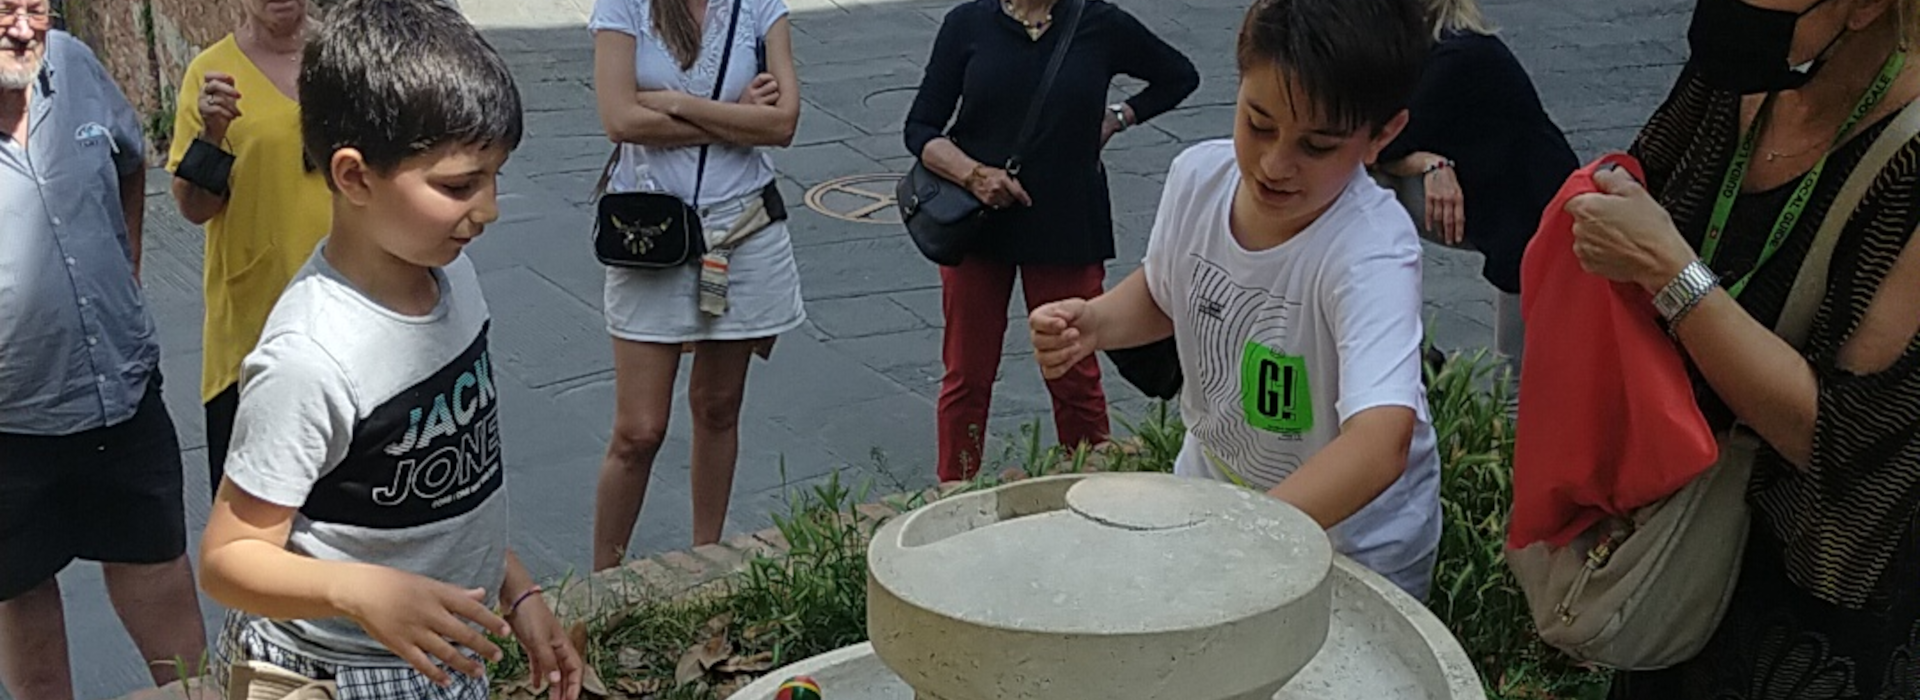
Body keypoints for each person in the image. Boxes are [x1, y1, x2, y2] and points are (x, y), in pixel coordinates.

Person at [196, 1, 583, 698]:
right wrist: (361, 592)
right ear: (354, 177)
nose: (489, 208)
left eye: (495, 176)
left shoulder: (452, 276)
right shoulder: (309, 358)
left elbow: (449, 482)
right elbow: (228, 558)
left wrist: (515, 588)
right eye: (460, 185)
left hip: (441, 646)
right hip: (337, 671)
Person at [1029, 0, 1442, 598]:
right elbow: (1169, 288)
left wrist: (1248, 533)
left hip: (1352, 546)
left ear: (1382, 135)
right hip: (1213, 493)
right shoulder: (1198, 177)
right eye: (1259, 123)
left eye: (1317, 146)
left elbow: (1379, 444)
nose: (1276, 164)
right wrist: (1096, 322)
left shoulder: (1370, 252)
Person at [1567, 0, 1920, 696]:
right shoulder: (1733, 78)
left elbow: (1842, 440)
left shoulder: (1906, 164)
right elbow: (1637, 199)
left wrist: (1675, 277)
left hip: (1805, 621)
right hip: (1671, 557)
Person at [0, 3, 210, 698]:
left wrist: (127, 266)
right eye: (4, 12)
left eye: (35, 7)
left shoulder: (74, 63)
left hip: (120, 399)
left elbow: (128, 158)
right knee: (28, 627)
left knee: (177, 641)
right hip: (9, 433)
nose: (26, 30)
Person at [905, 0, 1199, 482]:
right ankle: (955, 495)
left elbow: (1179, 75)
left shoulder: (1099, 23)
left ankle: (1089, 488)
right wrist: (975, 175)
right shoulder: (968, 24)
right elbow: (920, 128)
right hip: (979, 224)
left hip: (1066, 222)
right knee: (966, 374)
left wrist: (1119, 117)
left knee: (1075, 370)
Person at [587, 0, 803, 569]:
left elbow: (781, 124)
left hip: (743, 227)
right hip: (650, 232)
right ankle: (600, 584)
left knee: (719, 405)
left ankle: (706, 561)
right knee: (639, 429)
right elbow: (620, 119)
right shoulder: (624, 6)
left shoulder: (760, 6)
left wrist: (677, 105)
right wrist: (733, 114)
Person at [168, 0, 332, 495]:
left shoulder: (342, 58)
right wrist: (211, 135)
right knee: (260, 502)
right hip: (257, 318)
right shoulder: (212, 74)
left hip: (348, 298)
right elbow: (195, 208)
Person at [1376, 0, 1578, 367]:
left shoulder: (1459, 56)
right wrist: (1428, 163)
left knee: (1515, 378)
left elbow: (1373, 143)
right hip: (1498, 208)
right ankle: (1401, 336)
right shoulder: (1430, 45)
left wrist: (1427, 162)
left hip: (1535, 223)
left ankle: (1402, 343)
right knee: (1368, 181)